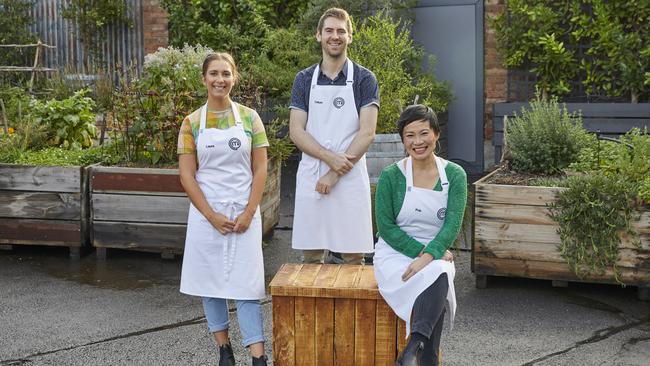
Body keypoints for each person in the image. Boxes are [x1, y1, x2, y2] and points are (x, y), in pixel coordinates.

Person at [177, 53, 269, 366]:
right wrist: (211, 215)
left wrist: (248, 212)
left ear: (234, 78)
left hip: (244, 211)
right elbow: (187, 175)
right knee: (210, 282)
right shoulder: (190, 123)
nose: (220, 79)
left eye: (226, 74)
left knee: (248, 285)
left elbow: (260, 170)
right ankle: (224, 350)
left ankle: (258, 357)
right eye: (214, 73)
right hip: (207, 214)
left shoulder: (250, 118)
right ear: (204, 79)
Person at [373, 105, 467, 365]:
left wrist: (429, 255)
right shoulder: (392, 176)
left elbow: (451, 227)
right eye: (409, 135)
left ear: (436, 134)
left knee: (440, 270)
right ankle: (422, 352)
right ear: (403, 140)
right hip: (393, 254)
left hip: (434, 251)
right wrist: (423, 253)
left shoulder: (455, 175)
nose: (417, 142)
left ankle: (414, 345)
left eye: (424, 133)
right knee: (440, 270)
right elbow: (386, 228)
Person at [289, 7, 379, 265]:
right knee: (311, 257)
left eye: (341, 31)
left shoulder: (364, 79)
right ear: (319, 35)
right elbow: (296, 130)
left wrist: (335, 171)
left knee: (353, 258)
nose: (335, 36)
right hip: (312, 175)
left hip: (348, 178)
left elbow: (367, 132)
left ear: (350, 36)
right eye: (329, 30)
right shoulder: (304, 79)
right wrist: (329, 159)